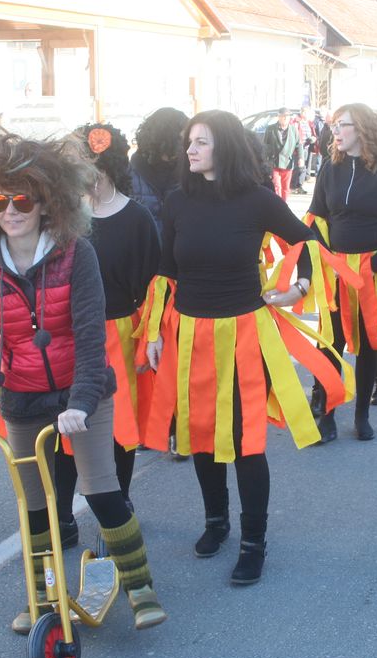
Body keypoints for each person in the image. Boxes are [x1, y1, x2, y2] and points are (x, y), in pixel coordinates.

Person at [0, 132, 166, 633]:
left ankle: (140, 586)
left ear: (46, 202)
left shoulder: (75, 253)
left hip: (83, 392)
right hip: (22, 396)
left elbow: (91, 334)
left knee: (102, 491)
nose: (10, 210)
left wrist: (82, 401)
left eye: (22, 200)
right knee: (37, 508)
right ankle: (41, 597)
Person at [140, 109, 350, 585]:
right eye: (189, 142)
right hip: (190, 334)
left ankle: (254, 542)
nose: (190, 150)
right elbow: (166, 270)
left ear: (226, 147)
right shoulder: (177, 201)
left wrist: (299, 287)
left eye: (201, 142)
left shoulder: (257, 200)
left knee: (245, 441)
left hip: (244, 336)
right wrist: (154, 331)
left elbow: (308, 242)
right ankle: (216, 522)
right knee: (200, 435)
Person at [54, 123, 161, 542]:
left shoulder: (136, 218)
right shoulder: (64, 217)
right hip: (70, 333)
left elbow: (151, 283)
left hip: (121, 330)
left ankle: (120, 505)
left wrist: (150, 334)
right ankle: (62, 514)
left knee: (121, 427)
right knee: (66, 425)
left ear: (104, 165)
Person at [306, 103, 377, 442]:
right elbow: (315, 217)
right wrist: (327, 257)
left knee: (369, 345)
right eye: (335, 125)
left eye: (344, 125)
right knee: (331, 343)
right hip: (336, 270)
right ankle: (327, 415)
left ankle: (362, 414)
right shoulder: (328, 168)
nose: (336, 131)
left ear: (363, 130)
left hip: (372, 272)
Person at [129, 106, 188, 225]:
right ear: (167, 138)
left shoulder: (189, 170)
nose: (187, 145)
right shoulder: (130, 174)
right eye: (182, 139)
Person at [263, 107, 301, 201]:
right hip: (274, 163)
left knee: (285, 188)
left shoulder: (293, 130)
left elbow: (299, 145)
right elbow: (265, 145)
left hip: (287, 163)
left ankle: (284, 205)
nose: (285, 118)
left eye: (287, 116)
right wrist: (265, 160)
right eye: (282, 116)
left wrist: (301, 158)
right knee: (277, 186)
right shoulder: (271, 129)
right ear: (278, 117)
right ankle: (278, 204)